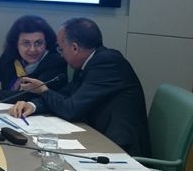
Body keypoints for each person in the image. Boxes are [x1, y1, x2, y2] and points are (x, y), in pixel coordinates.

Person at [9, 17, 150, 156]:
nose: (61, 55)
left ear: (75, 48)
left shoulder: (107, 63)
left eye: (61, 49)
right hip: (98, 139)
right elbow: (66, 95)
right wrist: (32, 106)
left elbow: (71, 109)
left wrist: (43, 90)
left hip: (121, 150)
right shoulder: (89, 63)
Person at [0, 15, 67, 102]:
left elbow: (28, 95)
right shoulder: (9, 57)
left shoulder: (56, 62)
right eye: (26, 43)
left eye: (38, 43)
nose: (32, 49)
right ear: (16, 44)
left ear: (47, 43)